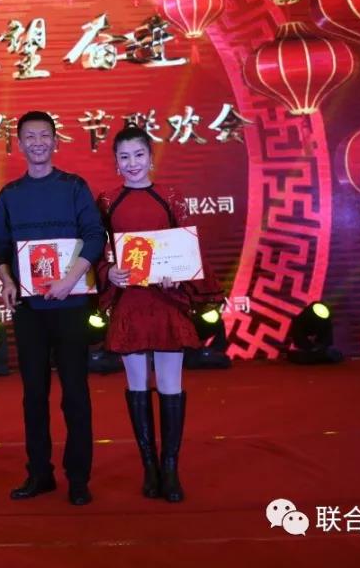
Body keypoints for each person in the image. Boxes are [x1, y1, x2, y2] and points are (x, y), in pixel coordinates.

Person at [95, 125, 223, 503]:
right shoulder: (107, 201)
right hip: (130, 301)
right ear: (116, 162)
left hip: (167, 300)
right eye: (124, 157)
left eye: (139, 155)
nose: (132, 163)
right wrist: (109, 272)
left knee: (170, 384)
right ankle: (148, 467)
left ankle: (170, 468)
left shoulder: (170, 196)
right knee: (137, 384)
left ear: (151, 157)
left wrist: (179, 274)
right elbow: (97, 251)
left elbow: (187, 247)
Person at [0, 111, 106, 506]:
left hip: (72, 304)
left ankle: (79, 477)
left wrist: (69, 280)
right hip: (30, 309)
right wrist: (7, 280)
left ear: (56, 141)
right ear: (19, 144)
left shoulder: (74, 186)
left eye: (44, 136)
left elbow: (95, 235)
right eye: (30, 136)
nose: (37, 142)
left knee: (75, 393)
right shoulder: (10, 194)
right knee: (33, 395)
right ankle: (39, 473)